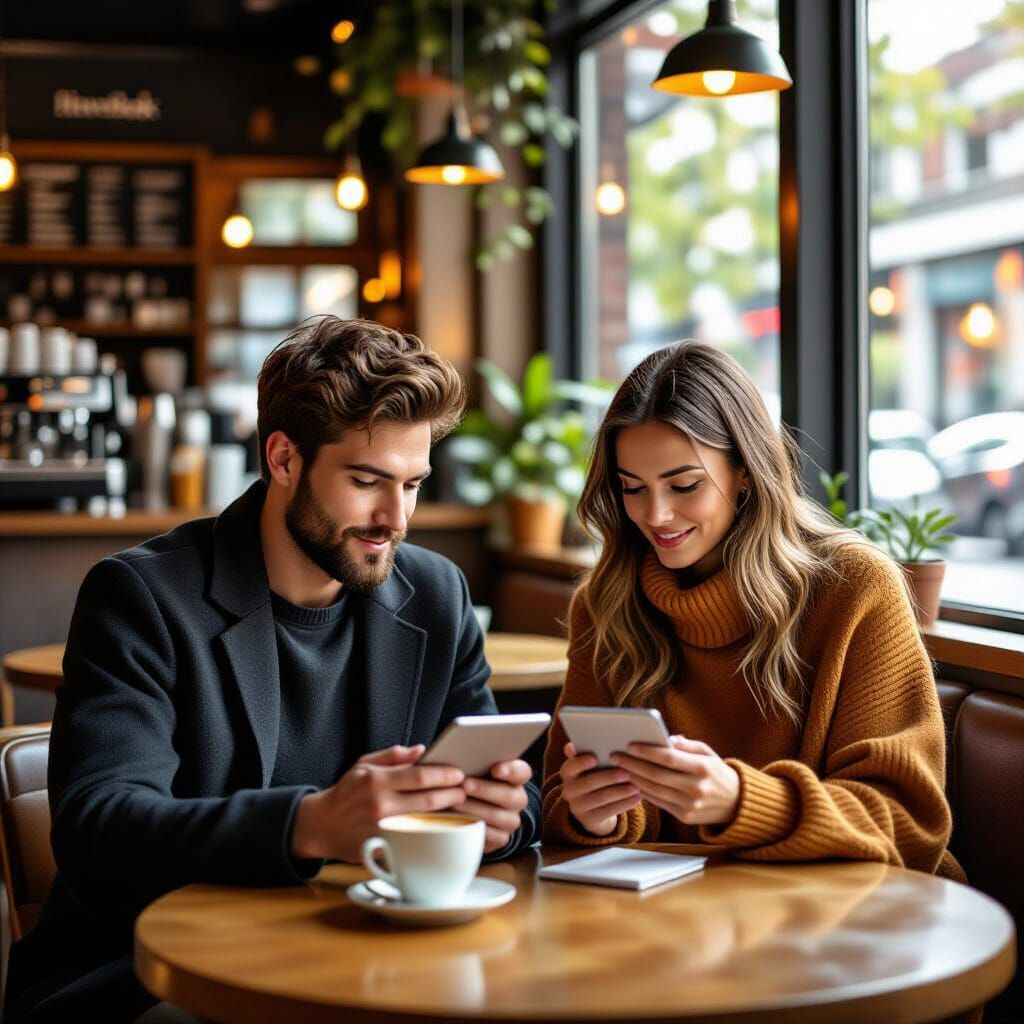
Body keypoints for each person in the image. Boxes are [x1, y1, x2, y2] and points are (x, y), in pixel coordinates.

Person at [6, 316, 540, 1023]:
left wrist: (503, 820)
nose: (396, 518)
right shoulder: (140, 597)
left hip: (362, 960)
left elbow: (513, 796)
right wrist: (310, 824)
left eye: (413, 485)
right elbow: (99, 831)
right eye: (367, 480)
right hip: (152, 980)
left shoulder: (436, 596)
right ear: (283, 459)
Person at [542, 341, 959, 879]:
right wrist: (595, 816)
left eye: (684, 484)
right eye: (632, 488)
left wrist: (740, 802)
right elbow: (559, 803)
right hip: (673, 924)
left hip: (846, 918)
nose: (656, 514)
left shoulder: (855, 588)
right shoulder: (608, 604)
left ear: (745, 471)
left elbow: (908, 826)